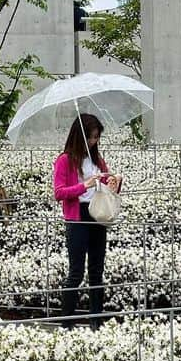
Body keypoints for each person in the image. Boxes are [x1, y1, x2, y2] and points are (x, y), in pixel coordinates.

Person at [52, 113, 120, 328]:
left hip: (97, 214)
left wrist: (114, 182)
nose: (94, 141)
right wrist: (86, 185)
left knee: (97, 271)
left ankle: (96, 322)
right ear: (79, 136)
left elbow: (109, 189)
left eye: (97, 137)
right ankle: (67, 323)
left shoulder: (97, 160)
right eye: (90, 137)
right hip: (77, 217)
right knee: (76, 272)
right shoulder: (64, 160)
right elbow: (59, 193)